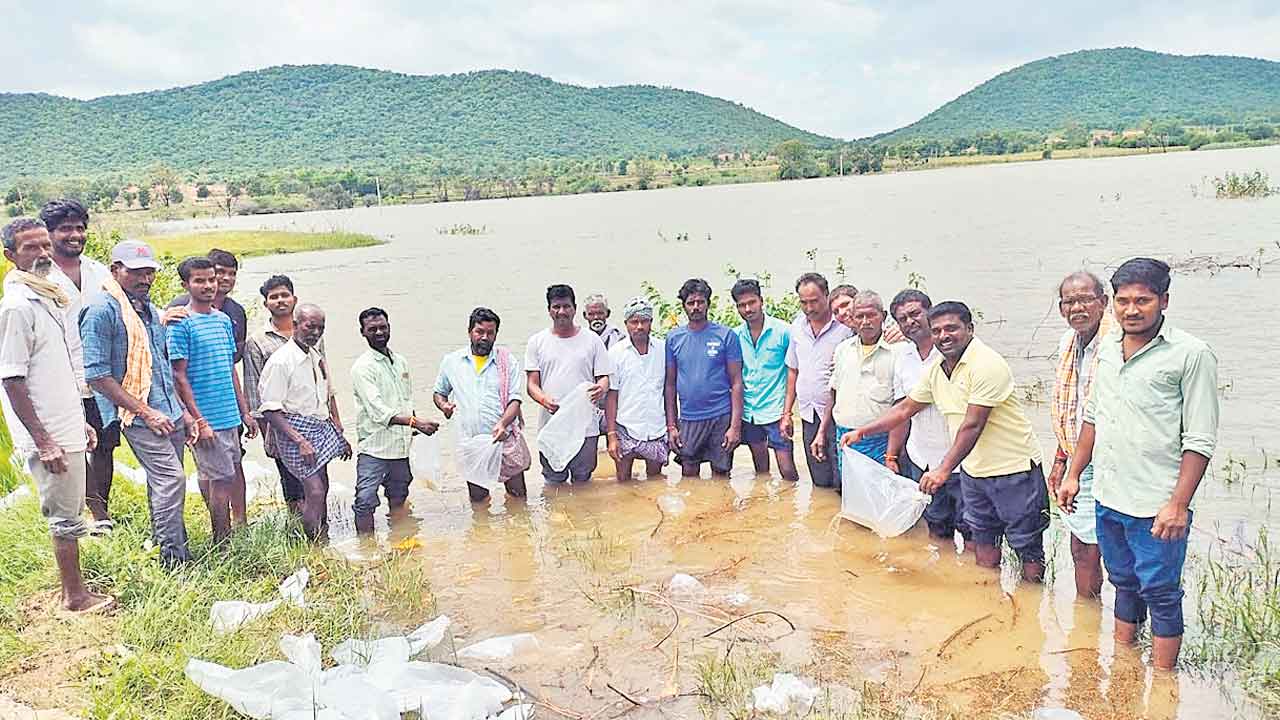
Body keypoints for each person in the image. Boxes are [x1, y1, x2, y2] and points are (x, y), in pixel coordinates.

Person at [1058, 258, 1218, 670]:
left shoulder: (1191, 354)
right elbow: (1093, 416)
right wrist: (1074, 474)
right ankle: (1125, 664)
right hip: (1109, 496)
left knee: (1161, 592)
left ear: (1163, 300)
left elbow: (1199, 438)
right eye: (1124, 301)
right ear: (1113, 303)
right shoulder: (1108, 350)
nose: (1132, 310)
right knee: (1122, 581)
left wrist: (1178, 504)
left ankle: (1165, 684)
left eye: (1143, 300)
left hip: (1155, 503)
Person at [844, 301, 1048, 582]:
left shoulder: (986, 363)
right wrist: (862, 432)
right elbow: (905, 409)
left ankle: (1032, 607)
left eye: (951, 328)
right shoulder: (938, 369)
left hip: (1013, 472)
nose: (943, 336)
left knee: (1028, 548)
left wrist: (942, 469)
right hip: (974, 473)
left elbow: (973, 424)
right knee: (983, 543)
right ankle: (987, 600)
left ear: (970, 329)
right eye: (937, 330)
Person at [0, 218, 113, 612]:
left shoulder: (45, 295)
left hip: (63, 423)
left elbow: (56, 371)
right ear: (10, 255)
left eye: (45, 245)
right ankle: (75, 597)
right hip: (46, 432)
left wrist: (77, 420)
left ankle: (77, 590)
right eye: (31, 247)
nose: (43, 253)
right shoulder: (17, 306)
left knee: (71, 508)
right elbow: (12, 380)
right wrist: (45, 439)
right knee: (63, 516)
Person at [82, 240, 195, 566]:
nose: (144, 279)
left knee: (162, 483)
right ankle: (175, 562)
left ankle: (166, 544)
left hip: (168, 408)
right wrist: (144, 410)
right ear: (115, 270)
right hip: (139, 415)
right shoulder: (102, 311)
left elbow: (160, 365)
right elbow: (98, 376)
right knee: (171, 480)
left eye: (149, 273)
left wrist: (183, 412)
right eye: (136, 272)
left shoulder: (145, 308)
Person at [167, 257, 257, 542]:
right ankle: (222, 542)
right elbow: (178, 376)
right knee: (218, 482)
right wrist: (198, 420)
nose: (207, 286)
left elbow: (230, 368)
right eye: (199, 280)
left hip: (229, 415)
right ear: (186, 285)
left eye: (211, 280)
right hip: (207, 418)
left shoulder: (222, 320)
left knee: (228, 477)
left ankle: (228, 535)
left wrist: (244, 412)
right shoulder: (181, 323)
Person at [40, 200, 115, 533]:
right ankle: (89, 514)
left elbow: (122, 308)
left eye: (80, 228)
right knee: (73, 447)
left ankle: (103, 513)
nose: (74, 235)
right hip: (61, 377)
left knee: (105, 445)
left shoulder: (99, 271)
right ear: (49, 233)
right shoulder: (39, 277)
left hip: (100, 376)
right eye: (65, 229)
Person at [243, 275, 339, 514]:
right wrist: (269, 435)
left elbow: (324, 379)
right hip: (284, 426)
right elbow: (258, 395)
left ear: (294, 299)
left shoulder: (314, 335)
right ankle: (301, 533)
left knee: (319, 486)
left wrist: (335, 419)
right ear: (266, 303)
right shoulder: (258, 341)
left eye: (284, 295)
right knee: (295, 488)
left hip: (316, 421)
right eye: (273, 297)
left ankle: (320, 535)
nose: (280, 300)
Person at [258, 303, 350, 540]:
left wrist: (339, 436)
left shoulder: (315, 356)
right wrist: (299, 441)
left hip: (318, 427)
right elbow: (269, 409)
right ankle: (313, 544)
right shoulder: (282, 361)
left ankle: (324, 536)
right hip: (294, 432)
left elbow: (324, 398)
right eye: (311, 326)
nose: (316, 332)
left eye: (321, 327)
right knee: (315, 492)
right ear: (296, 325)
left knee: (324, 487)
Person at [885, 289, 968, 544]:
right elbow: (902, 411)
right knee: (936, 528)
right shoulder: (901, 357)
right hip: (922, 459)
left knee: (972, 533)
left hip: (961, 461)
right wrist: (891, 454)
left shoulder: (953, 351)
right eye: (902, 319)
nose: (909, 322)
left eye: (915, 314)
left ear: (929, 314)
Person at [1048, 271, 1111, 598]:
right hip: (1077, 460)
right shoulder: (1068, 343)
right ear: (1061, 309)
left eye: (1086, 299)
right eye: (1070, 301)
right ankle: (1087, 615)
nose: (1078, 307)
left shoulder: (1117, 344)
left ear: (1103, 302)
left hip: (1113, 460)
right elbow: (1069, 407)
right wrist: (1062, 460)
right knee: (1082, 544)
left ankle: (1124, 630)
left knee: (1118, 552)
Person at [350, 307, 439, 533]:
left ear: (389, 328)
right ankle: (366, 550)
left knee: (399, 494)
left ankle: (400, 540)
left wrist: (416, 425)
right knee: (365, 501)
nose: (379, 332)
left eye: (383, 327)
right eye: (372, 329)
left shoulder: (400, 361)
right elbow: (378, 411)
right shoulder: (362, 367)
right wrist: (415, 422)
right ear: (362, 332)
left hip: (400, 447)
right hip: (374, 448)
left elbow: (406, 400)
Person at [434, 307, 530, 501]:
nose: (484, 337)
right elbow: (439, 393)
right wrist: (444, 406)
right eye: (480, 332)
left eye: (490, 333)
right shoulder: (452, 361)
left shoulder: (506, 360)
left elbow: (515, 399)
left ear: (496, 334)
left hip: (503, 438)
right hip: (471, 443)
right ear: (470, 332)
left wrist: (503, 423)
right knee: (478, 500)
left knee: (517, 496)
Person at [525, 284, 611, 484]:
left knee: (583, 479)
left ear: (574, 308)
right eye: (556, 307)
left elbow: (604, 378)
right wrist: (544, 399)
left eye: (566, 306)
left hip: (586, 426)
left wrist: (601, 388)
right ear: (549, 310)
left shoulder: (592, 341)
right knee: (553, 480)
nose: (561, 312)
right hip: (552, 423)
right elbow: (531, 384)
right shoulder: (537, 342)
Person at [665, 278, 743, 477]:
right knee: (689, 474)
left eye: (700, 302)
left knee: (722, 474)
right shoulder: (674, 339)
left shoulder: (726, 336)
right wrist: (672, 426)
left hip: (720, 416)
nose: (696, 307)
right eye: (691, 303)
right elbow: (670, 385)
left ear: (708, 303)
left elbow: (736, 382)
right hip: (690, 419)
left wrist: (735, 427)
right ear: (684, 306)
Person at [782, 273, 852, 487]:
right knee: (820, 481)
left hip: (840, 415)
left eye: (814, 301)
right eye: (804, 302)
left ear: (826, 295)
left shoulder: (846, 326)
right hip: (809, 413)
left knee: (843, 481)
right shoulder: (797, 327)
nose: (809, 307)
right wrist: (786, 414)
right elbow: (793, 371)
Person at [816, 289, 897, 470]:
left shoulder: (897, 350)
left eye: (871, 315)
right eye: (860, 316)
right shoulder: (843, 350)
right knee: (850, 493)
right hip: (844, 436)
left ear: (883, 316)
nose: (866, 322)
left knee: (880, 494)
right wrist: (822, 431)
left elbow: (902, 407)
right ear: (852, 318)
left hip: (880, 440)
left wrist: (892, 454)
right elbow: (834, 393)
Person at [731, 279, 797, 480]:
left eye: (752, 302)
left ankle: (792, 508)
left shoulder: (784, 332)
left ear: (761, 301)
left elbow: (793, 372)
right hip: (750, 413)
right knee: (761, 472)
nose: (748, 309)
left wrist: (787, 413)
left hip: (776, 412)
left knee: (787, 471)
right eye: (742, 305)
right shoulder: (734, 336)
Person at [604, 297, 669, 481]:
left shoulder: (663, 349)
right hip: (625, 427)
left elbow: (669, 390)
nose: (639, 326)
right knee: (623, 481)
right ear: (626, 324)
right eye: (634, 322)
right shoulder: (616, 354)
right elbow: (612, 396)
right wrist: (611, 436)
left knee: (656, 482)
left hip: (656, 427)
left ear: (651, 322)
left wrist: (672, 426)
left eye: (644, 321)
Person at [166, 248, 247, 360]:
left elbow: (235, 356)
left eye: (232, 274)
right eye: (221, 272)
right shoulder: (179, 308)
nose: (227, 278)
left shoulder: (236, 311)